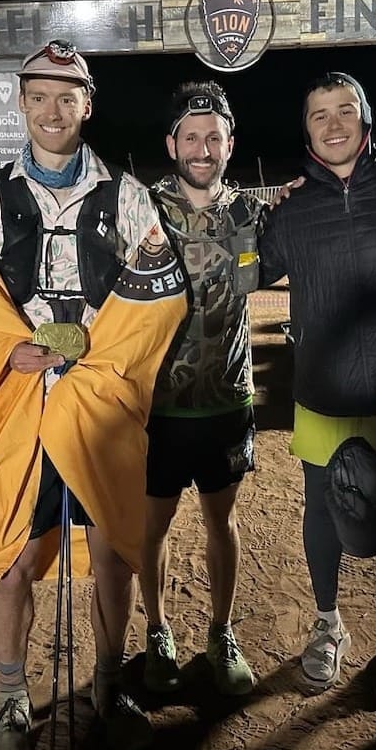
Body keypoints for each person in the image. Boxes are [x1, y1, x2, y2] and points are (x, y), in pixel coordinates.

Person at [0, 39, 187, 750]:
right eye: (37, 95)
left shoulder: (128, 197)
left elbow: (159, 300)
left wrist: (95, 359)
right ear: (20, 103)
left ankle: (108, 681)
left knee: (111, 547)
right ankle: (12, 697)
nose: (51, 109)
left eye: (66, 97)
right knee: (9, 550)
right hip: (16, 407)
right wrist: (5, 352)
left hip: (98, 405)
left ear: (87, 105)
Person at [259, 72, 376, 702]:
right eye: (318, 115)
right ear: (306, 129)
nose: (332, 125)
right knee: (321, 514)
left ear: (366, 116)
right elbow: (243, 262)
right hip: (320, 393)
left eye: (344, 111)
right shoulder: (291, 208)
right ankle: (329, 625)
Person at [139, 80, 262, 697]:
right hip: (157, 407)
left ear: (229, 144)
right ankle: (158, 634)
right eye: (192, 136)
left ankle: (221, 631)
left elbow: (255, 278)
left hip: (227, 399)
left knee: (223, 520)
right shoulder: (142, 211)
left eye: (214, 137)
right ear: (172, 143)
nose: (203, 148)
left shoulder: (248, 212)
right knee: (151, 527)